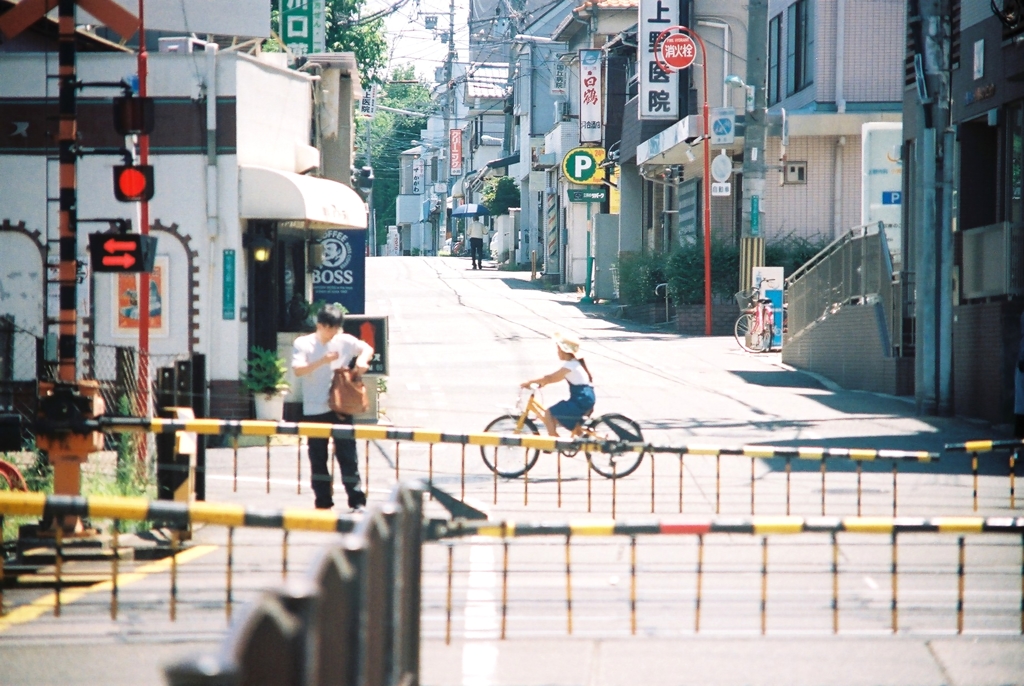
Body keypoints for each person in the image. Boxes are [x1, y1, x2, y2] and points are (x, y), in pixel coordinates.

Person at [292, 305, 373, 511]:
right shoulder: (303, 343)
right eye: (330, 329)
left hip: (341, 406)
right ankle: (323, 500)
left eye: (337, 328)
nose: (333, 333)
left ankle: (357, 500)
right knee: (318, 457)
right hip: (314, 409)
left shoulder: (344, 340)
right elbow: (298, 370)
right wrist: (322, 361)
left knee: (348, 454)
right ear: (319, 325)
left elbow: (366, 347)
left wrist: (362, 360)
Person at [521, 332, 595, 436]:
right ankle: (578, 439)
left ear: (564, 351)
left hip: (581, 399)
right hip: (585, 398)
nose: (557, 352)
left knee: (549, 414)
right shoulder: (574, 364)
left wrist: (530, 382)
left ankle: (554, 442)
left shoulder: (570, 365)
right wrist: (543, 383)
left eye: (558, 349)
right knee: (561, 419)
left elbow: (550, 378)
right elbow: (554, 379)